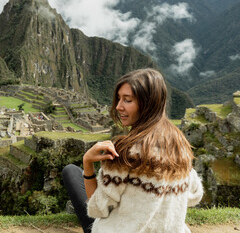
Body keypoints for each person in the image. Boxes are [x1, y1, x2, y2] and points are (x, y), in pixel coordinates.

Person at [62, 68, 203, 233]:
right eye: (118, 99)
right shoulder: (179, 148)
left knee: (71, 171)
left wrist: (87, 163)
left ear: (148, 104)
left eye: (127, 100)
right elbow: (194, 196)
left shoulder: (126, 153)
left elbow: (98, 208)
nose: (118, 106)